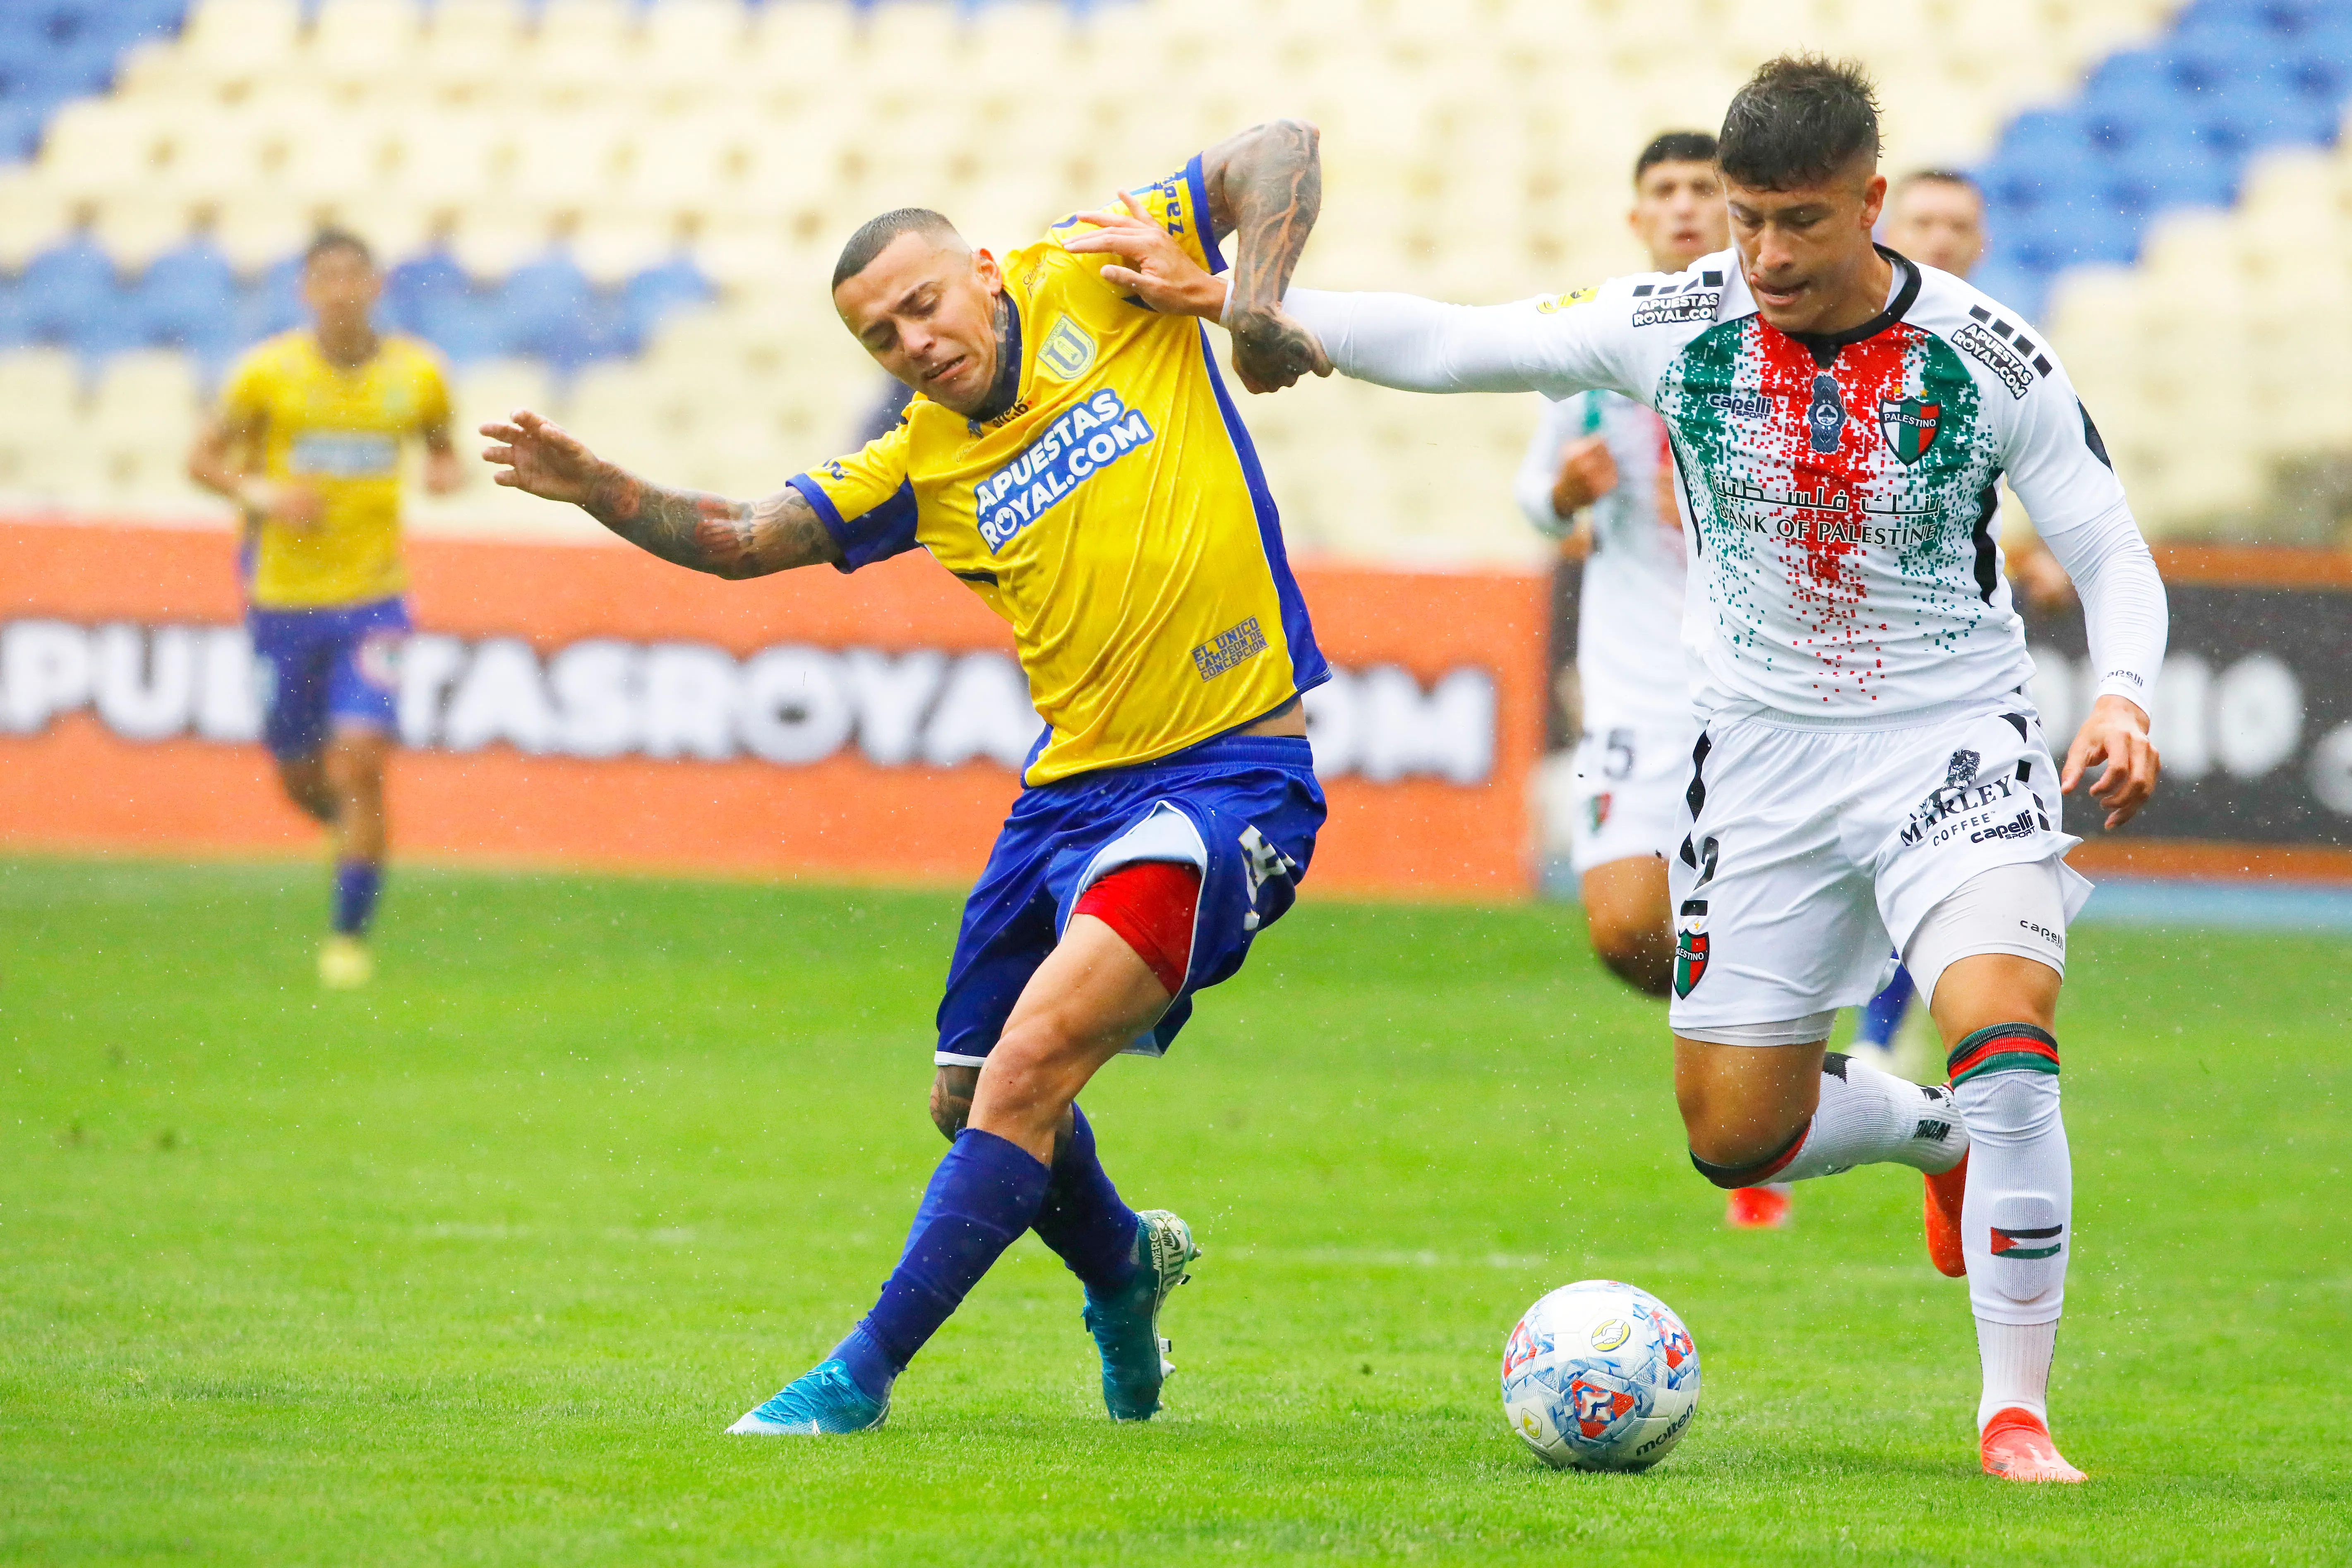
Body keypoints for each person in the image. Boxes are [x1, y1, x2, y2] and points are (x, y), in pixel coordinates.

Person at [1111, 56, 2166, 1483]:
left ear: (1868, 200)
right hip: (1757, 769)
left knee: (2004, 1035)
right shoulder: (1677, 320)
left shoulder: (1987, 351)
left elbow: (2103, 542)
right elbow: (1458, 340)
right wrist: (1254, 303)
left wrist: (2121, 695)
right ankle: (1927, 1136)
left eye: (1798, 221)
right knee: (1736, 1139)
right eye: (1746, 221)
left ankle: (2012, 1413)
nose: (1767, 255)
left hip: (1951, 745)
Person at [482, 122, 1333, 1436]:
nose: (914, 343)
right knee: (966, 1093)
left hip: (1229, 777)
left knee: (1030, 1065)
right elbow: (742, 538)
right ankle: (1122, 1266)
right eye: (880, 338)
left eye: (922, 305)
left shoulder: (1092, 268)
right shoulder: (920, 460)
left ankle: (853, 1378)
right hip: (1067, 796)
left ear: (983, 271)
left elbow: (1276, 147)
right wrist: (599, 485)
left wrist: (1253, 303)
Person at [1514, 130, 1801, 1232]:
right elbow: (1527, 495)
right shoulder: (1600, 343)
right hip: (1638, 685)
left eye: (1702, 190)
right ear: (1637, 217)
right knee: (1625, 927)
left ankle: (1766, 1101)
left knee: (1756, 911)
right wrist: (1560, 494)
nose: (1682, 207)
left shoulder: (1777, 332)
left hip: (1764, 687)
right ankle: (1768, 1067)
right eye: (1663, 191)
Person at [187, 228, 462, 989]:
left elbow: (441, 445)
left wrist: (444, 469)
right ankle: (345, 835)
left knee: (363, 763)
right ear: (306, 289)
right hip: (283, 601)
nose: (341, 289)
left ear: (376, 285)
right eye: (326, 277)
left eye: (354, 275)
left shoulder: (419, 374)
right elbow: (200, 459)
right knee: (302, 777)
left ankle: (349, 938)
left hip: (376, 600)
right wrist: (262, 492)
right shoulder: (267, 375)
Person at [1853, 169, 2079, 1066]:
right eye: (1924, 221)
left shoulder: (2003, 353)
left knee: (1939, 851)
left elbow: (2035, 487)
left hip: (1943, 669)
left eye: (1958, 224)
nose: (1941, 238)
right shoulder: (1827, 336)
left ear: (1981, 242)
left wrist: (2040, 551)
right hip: (1819, 660)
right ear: (1880, 222)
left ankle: (1876, 1041)